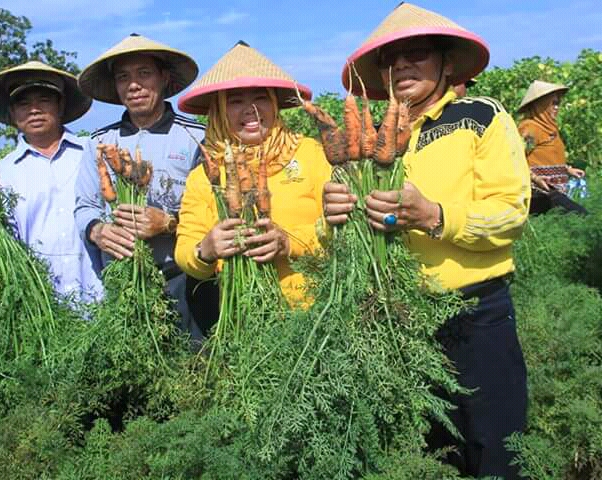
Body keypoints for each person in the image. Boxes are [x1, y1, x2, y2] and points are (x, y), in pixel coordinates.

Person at [329, 3, 530, 478]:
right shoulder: (378, 140)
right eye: (391, 61)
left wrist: (434, 215)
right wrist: (333, 217)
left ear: (446, 63)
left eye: (415, 54)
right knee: (433, 454)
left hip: (475, 314)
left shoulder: (480, 117)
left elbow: (510, 213)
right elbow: (351, 230)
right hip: (402, 320)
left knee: (495, 447)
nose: (401, 67)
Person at [174, 40, 331, 324]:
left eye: (260, 98)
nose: (250, 109)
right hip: (240, 323)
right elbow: (185, 248)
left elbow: (341, 230)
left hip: (317, 317)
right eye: (235, 101)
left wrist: (289, 243)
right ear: (219, 111)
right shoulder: (204, 175)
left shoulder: (311, 154)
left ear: (273, 102)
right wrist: (205, 250)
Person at [74, 34, 206, 338]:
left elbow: (211, 212)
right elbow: (84, 206)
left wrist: (169, 223)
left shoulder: (196, 137)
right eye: (123, 77)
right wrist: (97, 230)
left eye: (144, 74)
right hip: (122, 282)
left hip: (182, 279)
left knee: (190, 369)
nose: (134, 85)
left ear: (163, 78)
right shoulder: (98, 142)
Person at [0, 61, 103, 303]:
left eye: (44, 100)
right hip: (42, 307)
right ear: (12, 113)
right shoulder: (2, 172)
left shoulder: (95, 153)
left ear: (60, 105)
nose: (34, 110)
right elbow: (4, 239)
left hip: (102, 301)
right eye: (23, 103)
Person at [518, 80, 587, 215]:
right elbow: (516, 159)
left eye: (558, 104)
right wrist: (535, 178)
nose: (557, 108)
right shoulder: (530, 129)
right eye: (554, 103)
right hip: (539, 193)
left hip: (553, 191)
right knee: (582, 216)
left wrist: (568, 170)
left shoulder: (550, 128)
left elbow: (548, 156)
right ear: (541, 105)